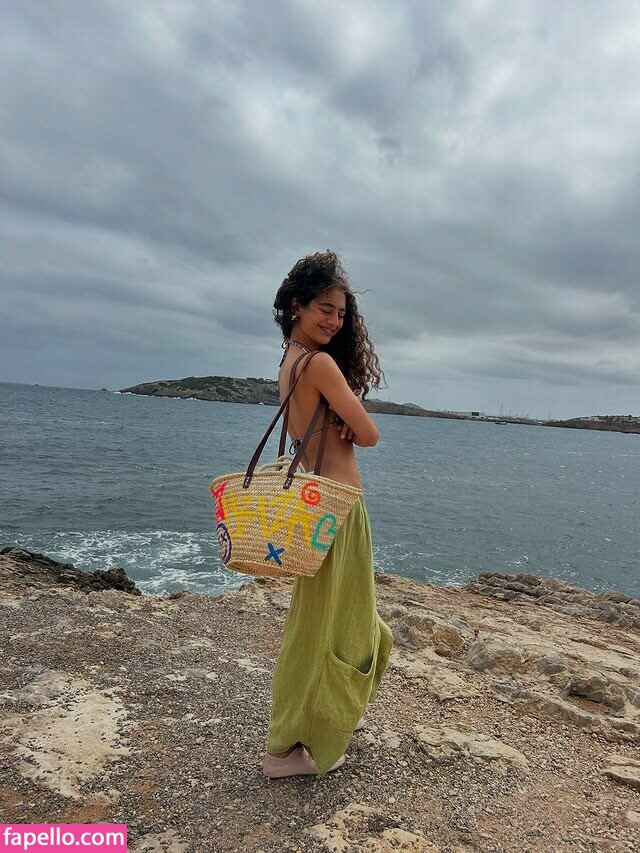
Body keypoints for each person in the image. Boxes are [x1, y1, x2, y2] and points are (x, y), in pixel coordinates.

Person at [262, 250, 394, 779]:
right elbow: (370, 434)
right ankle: (285, 749)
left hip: (318, 506)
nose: (334, 320)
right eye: (325, 308)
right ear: (297, 304)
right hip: (339, 506)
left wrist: (340, 421)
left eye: (341, 313)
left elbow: (317, 430)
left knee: (325, 625)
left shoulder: (290, 362)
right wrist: (350, 422)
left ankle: (317, 725)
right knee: (340, 629)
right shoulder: (318, 363)